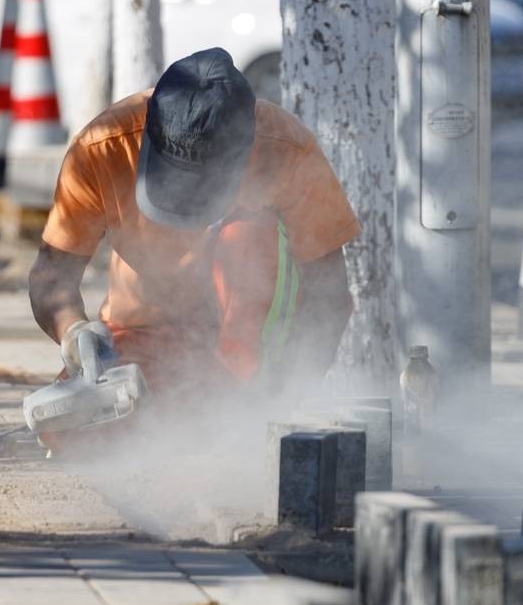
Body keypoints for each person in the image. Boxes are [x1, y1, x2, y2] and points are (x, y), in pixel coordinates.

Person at [29, 47, 359, 409]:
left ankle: (244, 404)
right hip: (141, 336)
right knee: (75, 427)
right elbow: (53, 275)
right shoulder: (103, 147)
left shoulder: (288, 151)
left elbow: (328, 294)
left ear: (244, 150)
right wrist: (74, 332)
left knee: (249, 236)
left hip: (251, 351)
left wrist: (290, 398)